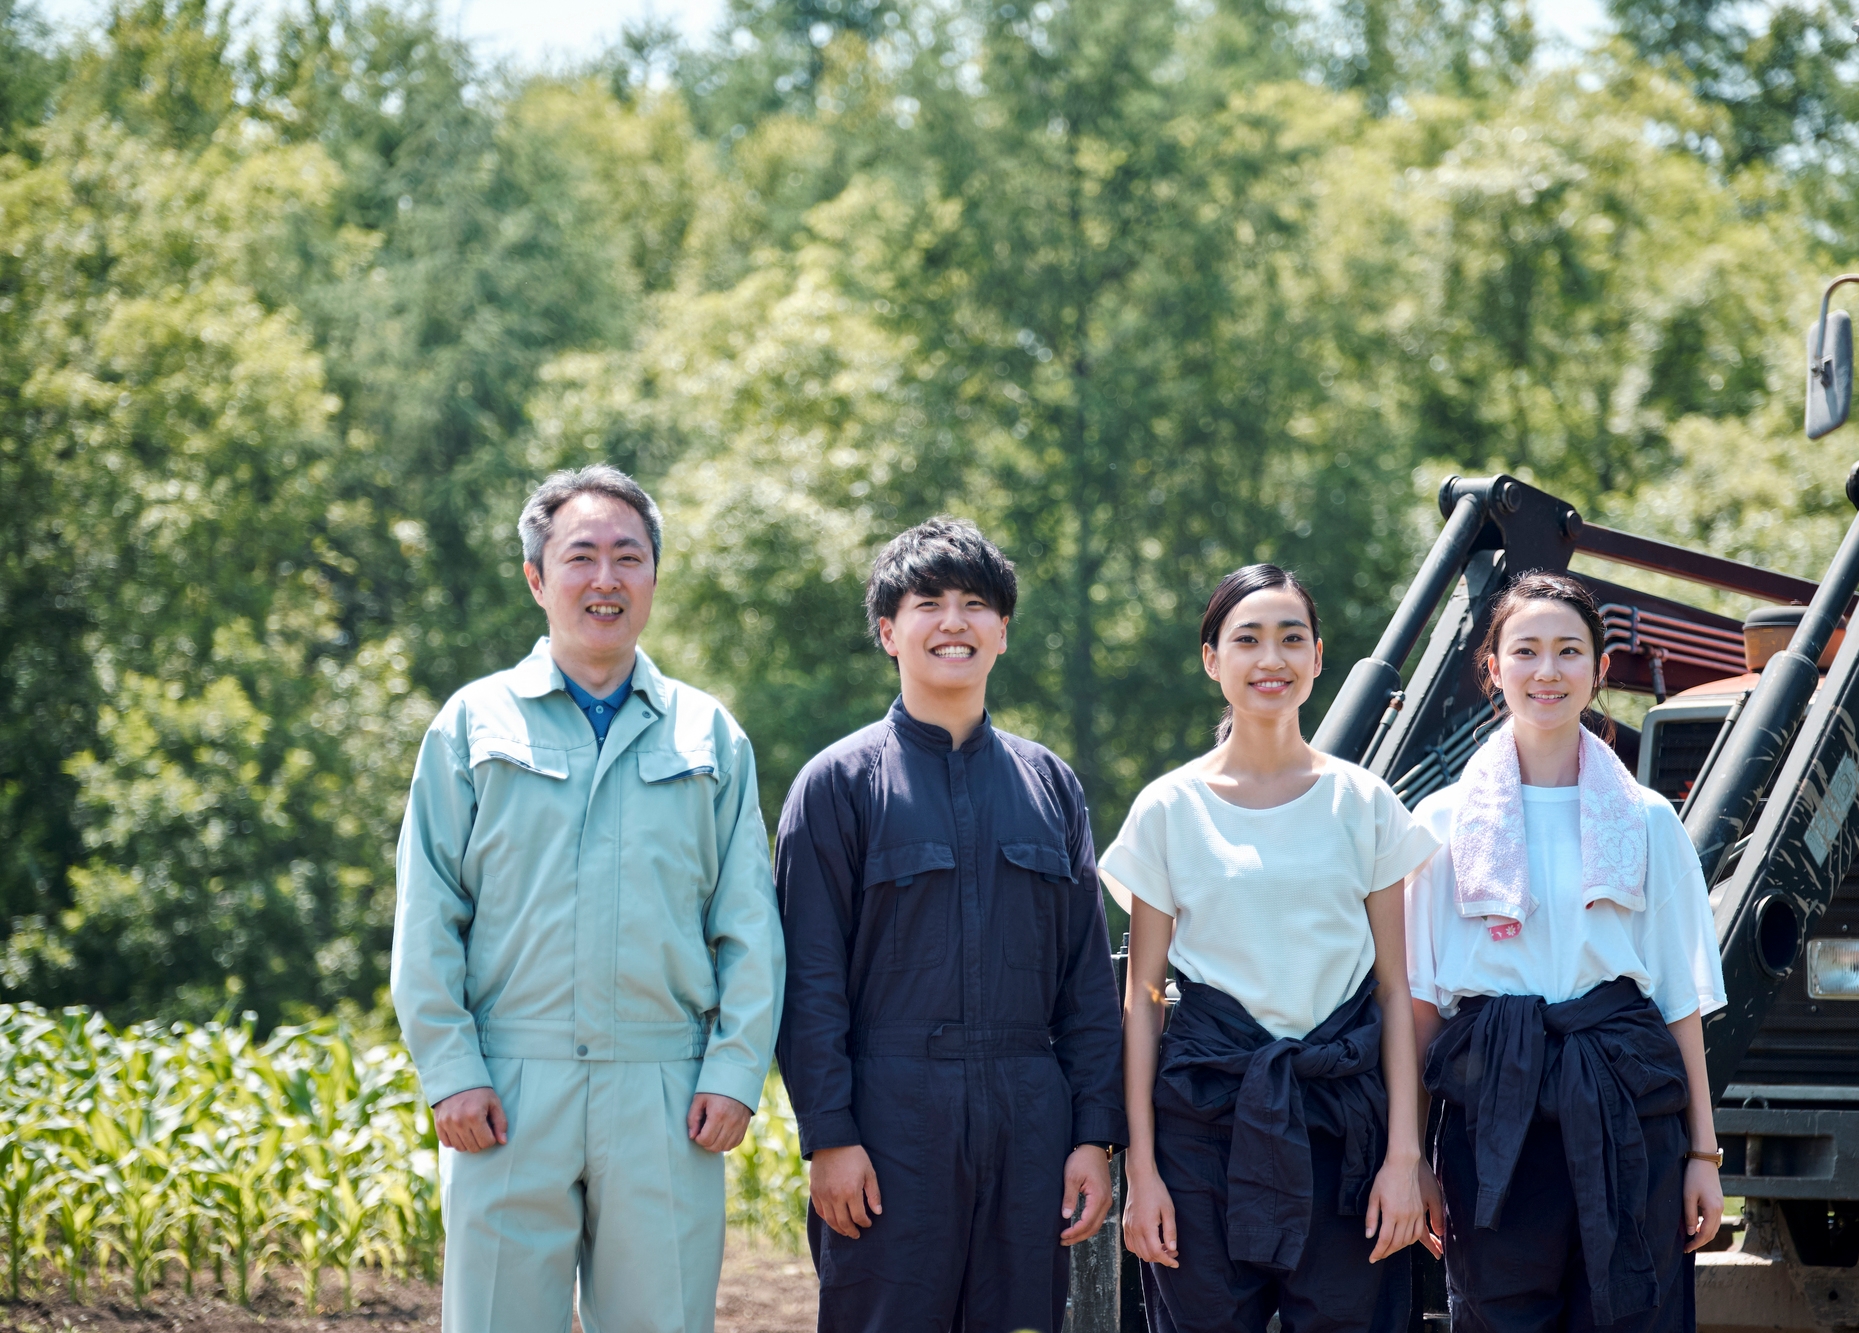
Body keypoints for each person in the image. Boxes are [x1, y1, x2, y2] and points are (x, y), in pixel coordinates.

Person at [390, 464, 784, 1333]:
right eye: (580, 556)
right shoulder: (471, 724)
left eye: (628, 557)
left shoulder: (708, 733)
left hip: (665, 1091)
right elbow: (428, 911)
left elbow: (748, 921)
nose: (605, 579)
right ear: (537, 578)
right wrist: (450, 1068)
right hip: (507, 1085)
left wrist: (733, 1068)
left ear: (653, 576)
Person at [774, 516, 1126, 1333]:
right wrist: (829, 1134)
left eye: (976, 604)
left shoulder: (1050, 785)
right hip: (890, 1121)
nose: (954, 622)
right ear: (889, 631)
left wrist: (1092, 1134)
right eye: (927, 603)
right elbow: (808, 979)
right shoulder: (837, 784)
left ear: (1003, 631)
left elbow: (1084, 976)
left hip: (1028, 1122)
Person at [1107, 563, 1442, 1333]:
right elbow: (1145, 998)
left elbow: (1397, 991)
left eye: (1292, 639)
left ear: (1319, 658)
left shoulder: (1363, 803)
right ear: (1211, 658)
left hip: (1344, 1132)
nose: (1271, 660)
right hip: (1202, 1129)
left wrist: (1404, 1156)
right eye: (1247, 639)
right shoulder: (1168, 807)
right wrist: (1145, 1171)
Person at [1404, 571, 1728, 1333]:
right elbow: (1421, 1007)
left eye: (1568, 651)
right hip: (1493, 1115)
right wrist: (1412, 1154)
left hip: (1625, 1108)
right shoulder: (1441, 823)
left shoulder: (1649, 821)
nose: (1547, 671)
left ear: (1598, 669)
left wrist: (1704, 1156)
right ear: (1493, 667)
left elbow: (1679, 1001)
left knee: (1634, 1312)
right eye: (1525, 651)